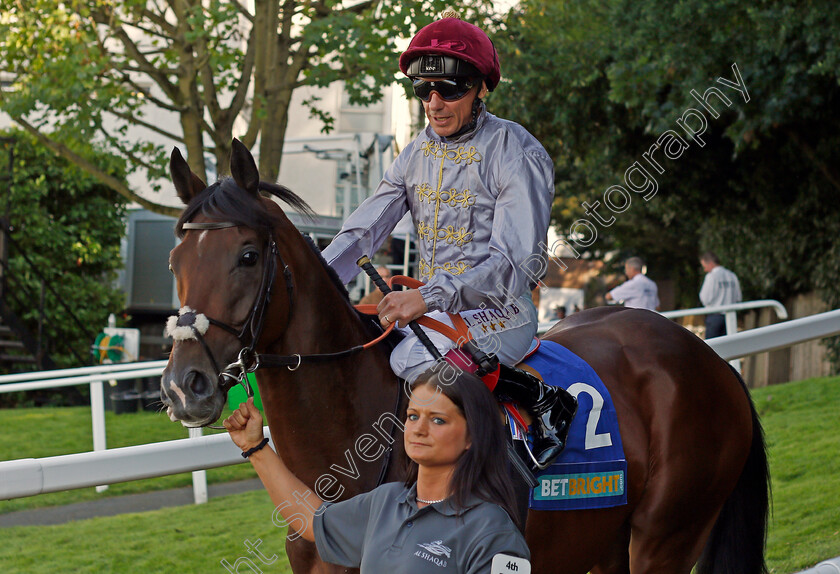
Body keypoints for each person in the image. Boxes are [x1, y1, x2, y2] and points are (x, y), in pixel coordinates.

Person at [321, 12, 576, 469]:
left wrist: (428, 296)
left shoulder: (517, 151)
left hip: (502, 310)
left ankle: (536, 407)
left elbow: (514, 266)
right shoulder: (415, 153)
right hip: (438, 308)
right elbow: (365, 229)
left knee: (411, 362)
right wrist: (317, 279)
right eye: (423, 90)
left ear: (481, 88)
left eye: (450, 90)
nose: (435, 103)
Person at [224, 368, 530, 572]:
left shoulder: (494, 533)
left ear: (472, 436)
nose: (418, 430)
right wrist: (256, 448)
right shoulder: (386, 501)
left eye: (438, 420)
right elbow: (311, 520)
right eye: (412, 416)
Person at [699, 251, 742, 338]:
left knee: (712, 347)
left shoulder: (711, 276)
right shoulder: (732, 275)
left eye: (705, 266)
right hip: (730, 317)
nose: (705, 270)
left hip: (715, 316)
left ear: (710, 263)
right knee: (728, 346)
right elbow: (738, 298)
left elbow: (705, 298)